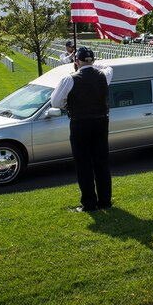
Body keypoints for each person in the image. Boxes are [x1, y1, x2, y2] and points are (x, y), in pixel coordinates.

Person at [50, 46, 115, 211]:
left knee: (84, 164)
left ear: (76, 61)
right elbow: (108, 68)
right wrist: (91, 64)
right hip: (101, 123)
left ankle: (89, 203)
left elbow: (56, 102)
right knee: (101, 163)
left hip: (80, 124)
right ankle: (105, 201)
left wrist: (70, 103)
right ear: (93, 60)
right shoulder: (104, 75)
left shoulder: (69, 79)